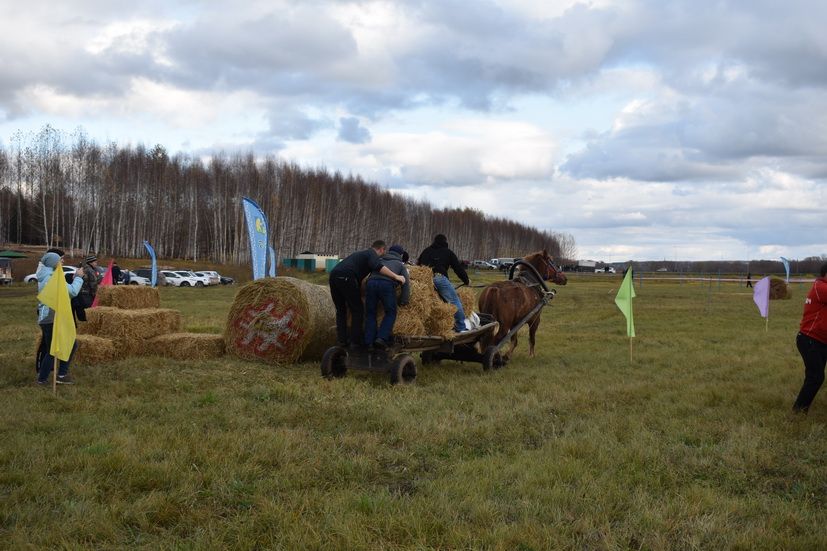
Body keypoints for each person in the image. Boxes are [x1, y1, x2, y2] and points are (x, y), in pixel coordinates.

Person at [329, 240, 406, 350]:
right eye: (383, 252)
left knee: (341, 311)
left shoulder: (360, 255)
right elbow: (379, 267)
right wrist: (396, 276)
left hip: (333, 276)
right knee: (358, 310)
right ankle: (355, 343)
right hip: (347, 277)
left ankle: (342, 341)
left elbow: (360, 280)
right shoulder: (371, 254)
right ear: (381, 249)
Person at [36, 251, 84, 385]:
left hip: (50, 317)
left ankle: (60, 374)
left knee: (69, 344)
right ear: (53, 262)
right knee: (54, 349)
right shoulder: (51, 277)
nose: (63, 261)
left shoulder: (48, 275)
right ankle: (45, 379)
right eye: (60, 260)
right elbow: (72, 291)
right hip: (51, 317)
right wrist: (79, 278)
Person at [791, 262, 827, 414]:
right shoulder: (820, 287)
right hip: (810, 340)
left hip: (821, 340)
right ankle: (798, 411)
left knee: (814, 376)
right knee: (816, 376)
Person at [417, 233, 470, 333]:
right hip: (439, 278)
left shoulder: (426, 251)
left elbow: (418, 264)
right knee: (454, 301)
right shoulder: (448, 252)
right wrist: (466, 280)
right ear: (445, 242)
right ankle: (461, 327)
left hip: (423, 280)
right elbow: (457, 268)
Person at [364, 244, 411, 349]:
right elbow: (406, 283)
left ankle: (368, 342)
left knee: (370, 313)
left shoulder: (379, 260)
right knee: (390, 312)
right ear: (400, 254)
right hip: (386, 285)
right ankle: (381, 338)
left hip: (371, 283)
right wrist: (404, 300)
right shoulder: (400, 264)